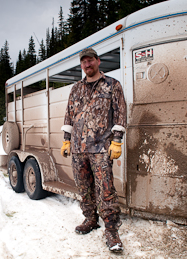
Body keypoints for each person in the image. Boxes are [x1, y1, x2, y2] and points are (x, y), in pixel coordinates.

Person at [60, 47, 127, 253]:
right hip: (79, 149)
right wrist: (66, 140)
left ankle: (111, 230)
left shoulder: (112, 85)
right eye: (83, 62)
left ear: (98, 61)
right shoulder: (76, 89)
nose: (87, 65)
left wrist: (117, 141)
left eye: (90, 61)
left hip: (100, 148)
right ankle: (91, 219)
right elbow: (69, 115)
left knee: (106, 189)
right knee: (84, 187)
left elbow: (121, 113)